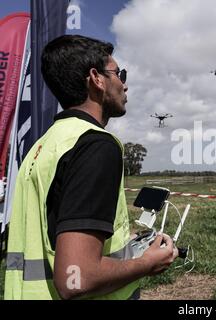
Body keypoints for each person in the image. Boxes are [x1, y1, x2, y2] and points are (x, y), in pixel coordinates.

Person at [3, 35, 178, 300]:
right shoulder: (95, 145)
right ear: (97, 79)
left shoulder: (44, 145)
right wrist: (147, 263)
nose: (124, 85)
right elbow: (76, 278)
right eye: (119, 73)